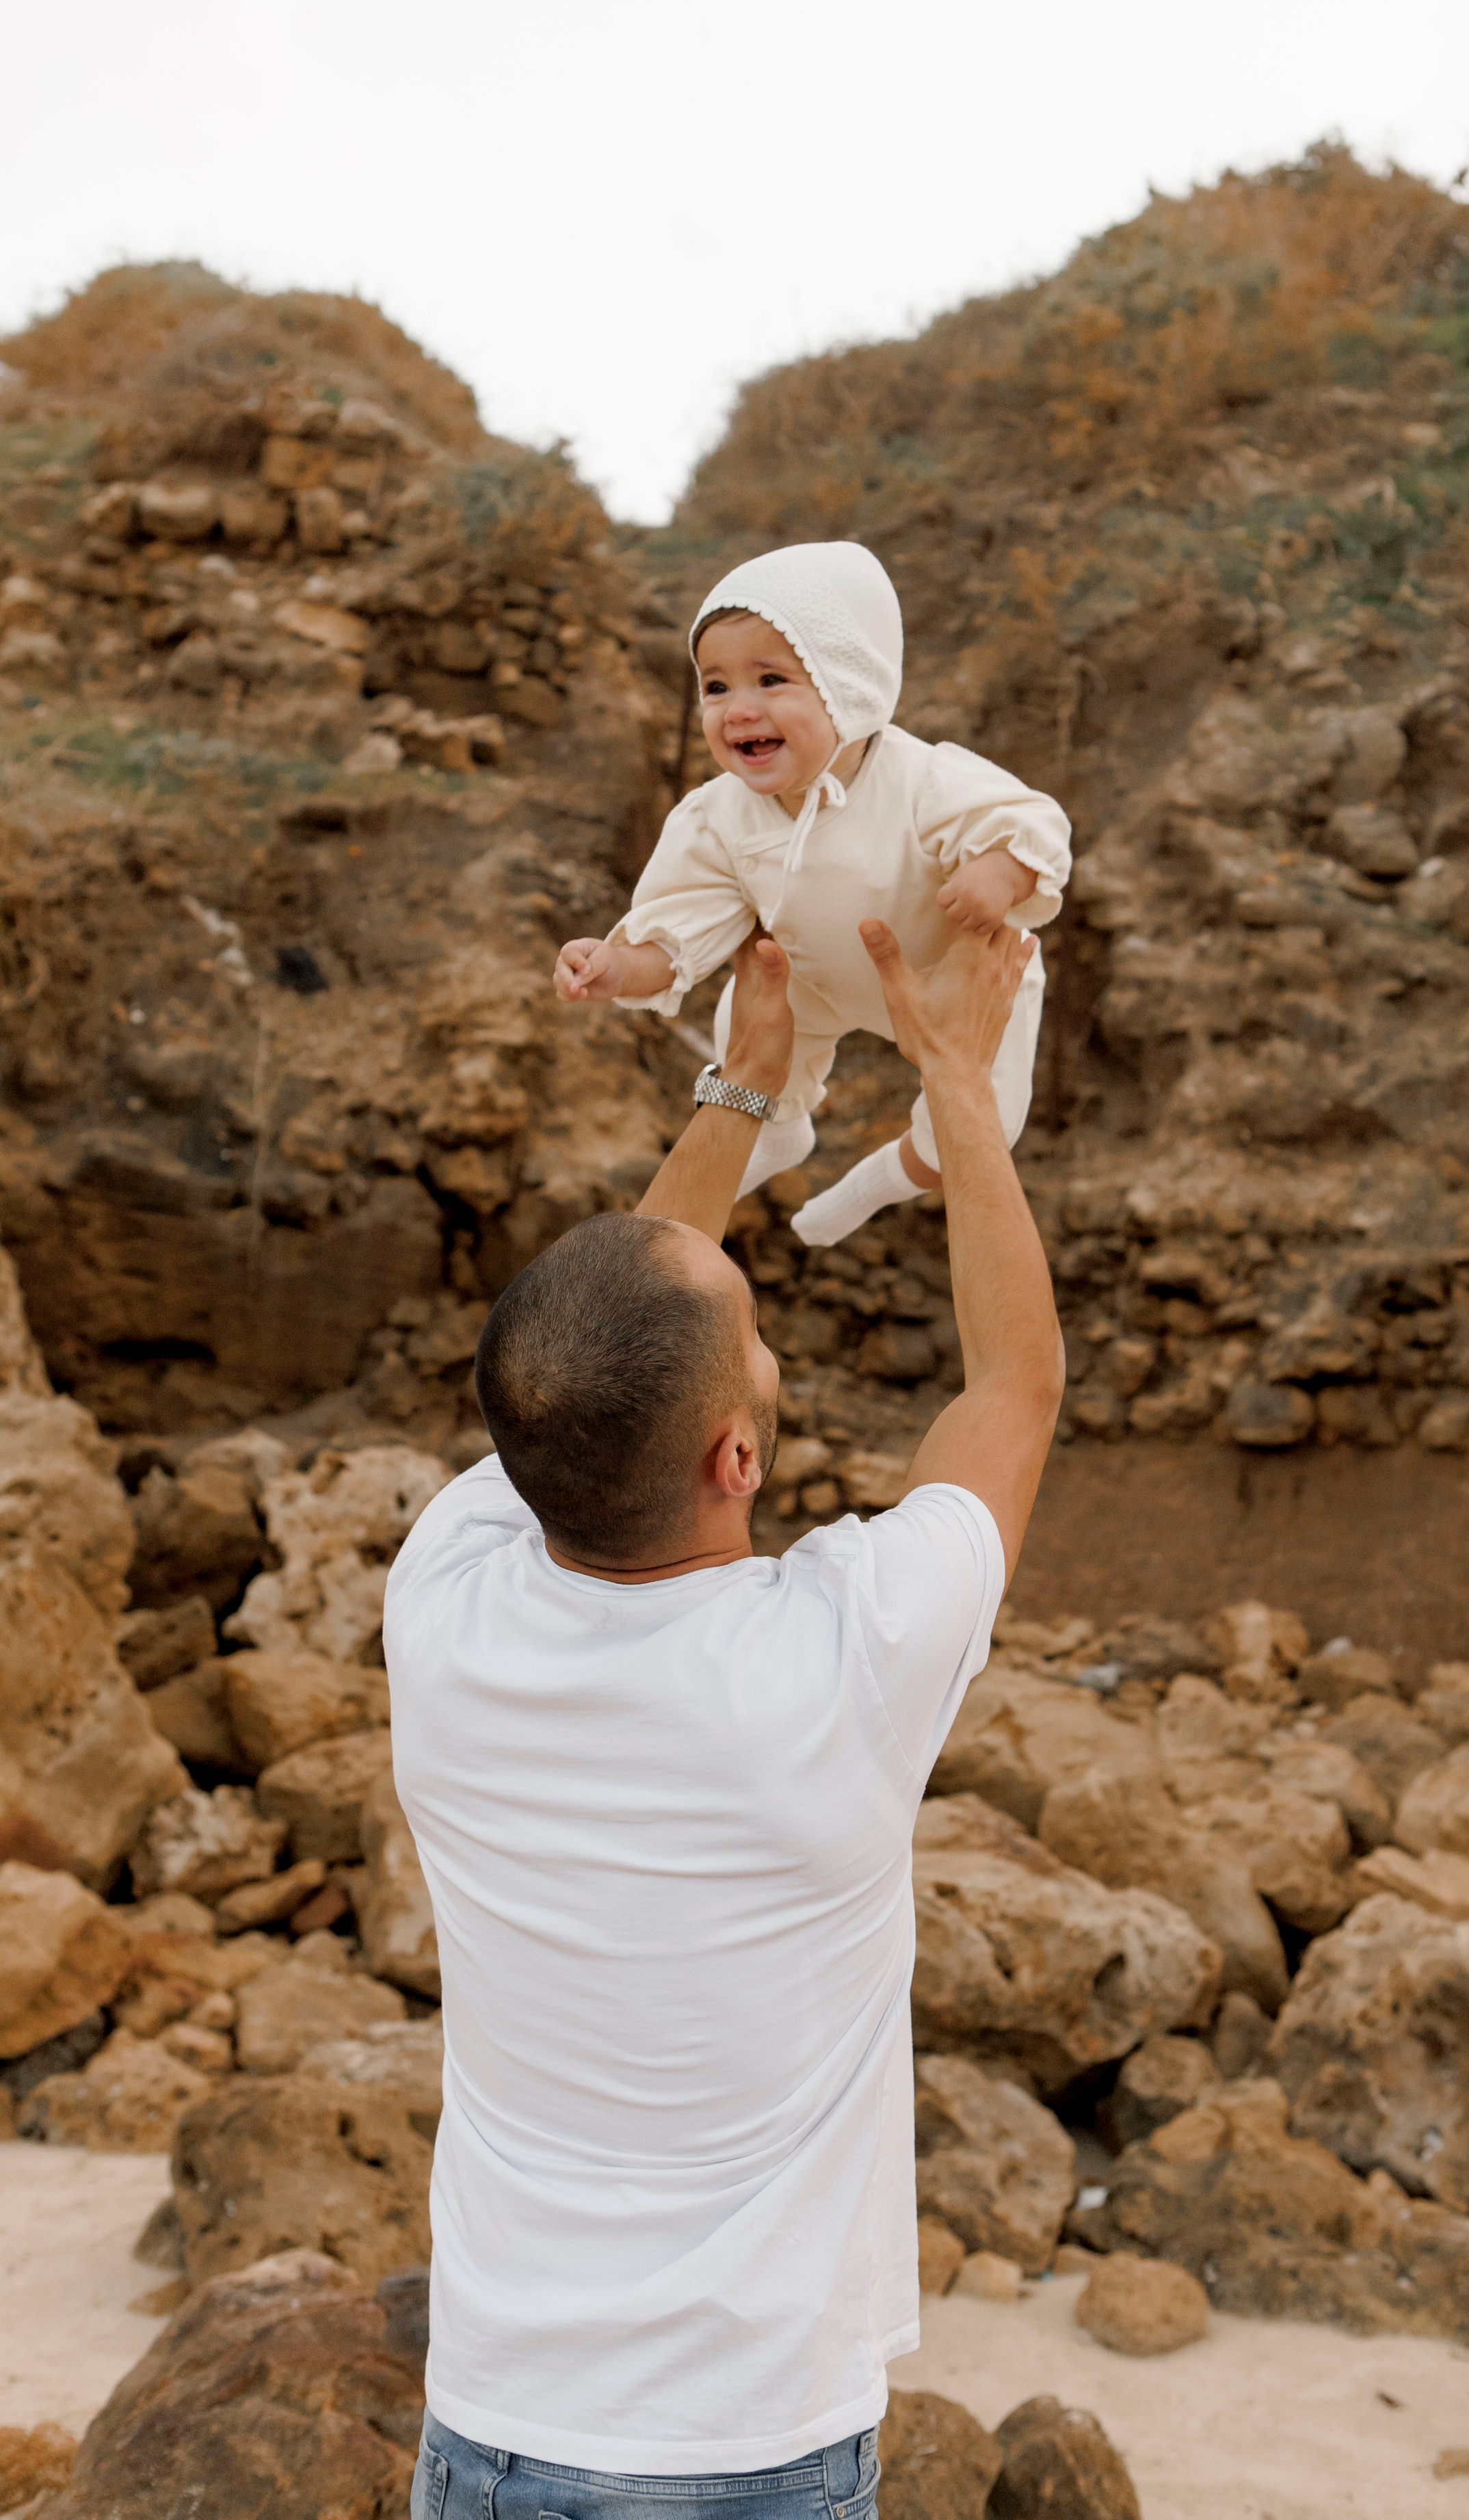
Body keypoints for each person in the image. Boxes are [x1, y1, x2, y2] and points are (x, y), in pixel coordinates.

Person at [383, 913, 1063, 2516]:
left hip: (489, 2426)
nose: (763, 1348)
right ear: (736, 1460)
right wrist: (958, 1081)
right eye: (756, 1342)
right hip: (745, 2450)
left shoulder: (444, 1598)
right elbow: (1011, 1390)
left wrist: (740, 1092)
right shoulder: (842, 1658)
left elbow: (590, 1352)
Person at [552, 539, 1072, 1248]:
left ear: (849, 684)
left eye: (771, 679)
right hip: (814, 977)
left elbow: (1032, 824)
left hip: (954, 989)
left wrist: (1000, 872)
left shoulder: (921, 781)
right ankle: (780, 1132)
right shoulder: (720, 814)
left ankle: (878, 1181)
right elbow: (679, 927)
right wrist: (617, 967)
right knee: (746, 1013)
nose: (738, 710)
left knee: (980, 1128)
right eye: (716, 687)